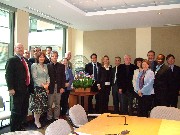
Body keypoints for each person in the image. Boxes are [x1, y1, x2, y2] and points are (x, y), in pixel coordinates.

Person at [5, 43, 31, 131]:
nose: (20, 49)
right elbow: (8, 75)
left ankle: (20, 127)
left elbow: (28, 75)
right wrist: (10, 88)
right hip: (16, 90)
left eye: (21, 48)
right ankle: (13, 130)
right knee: (16, 111)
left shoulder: (25, 60)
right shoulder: (12, 60)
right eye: (18, 48)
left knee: (24, 110)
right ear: (15, 49)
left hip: (25, 89)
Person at [29, 52, 50, 128]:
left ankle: (39, 119)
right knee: (37, 106)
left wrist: (47, 84)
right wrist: (44, 85)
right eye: (40, 57)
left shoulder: (45, 66)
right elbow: (35, 78)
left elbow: (47, 76)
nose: (42, 58)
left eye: (43, 57)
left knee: (42, 106)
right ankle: (36, 121)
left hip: (44, 88)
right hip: (37, 88)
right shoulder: (34, 65)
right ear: (37, 58)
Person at [47, 51, 66, 121]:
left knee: (58, 103)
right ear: (50, 57)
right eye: (53, 56)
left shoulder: (61, 66)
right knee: (49, 104)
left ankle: (56, 117)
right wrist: (47, 88)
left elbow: (63, 78)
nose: (54, 57)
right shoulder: (47, 66)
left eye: (56, 56)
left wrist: (62, 87)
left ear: (57, 57)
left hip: (59, 87)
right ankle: (49, 117)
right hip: (50, 87)